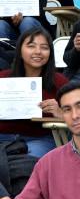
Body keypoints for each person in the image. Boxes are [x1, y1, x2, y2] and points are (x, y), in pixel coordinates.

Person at [0, 27, 68, 159]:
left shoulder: (59, 81)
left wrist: (61, 113)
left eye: (44, 47)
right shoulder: (2, 78)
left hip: (39, 139)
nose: (38, 52)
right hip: (2, 136)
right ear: (19, 51)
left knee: (31, 167)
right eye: (31, 46)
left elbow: (79, 114)